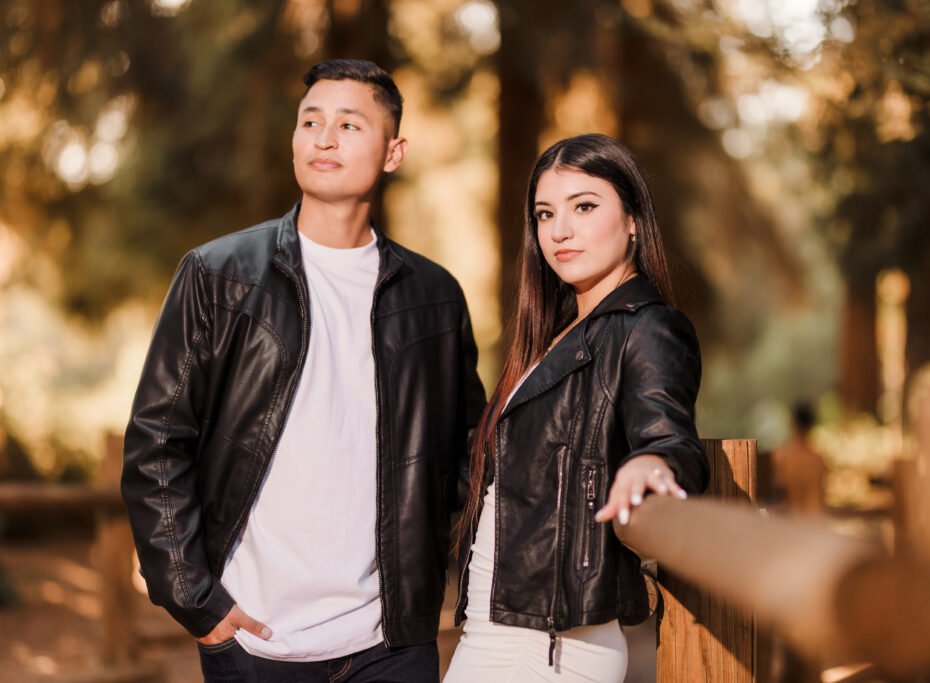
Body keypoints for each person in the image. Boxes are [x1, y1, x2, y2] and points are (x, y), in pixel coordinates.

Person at [121, 59, 486, 683]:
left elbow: (465, 459)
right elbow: (158, 443)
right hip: (252, 644)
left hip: (391, 646)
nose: (324, 137)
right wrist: (196, 601)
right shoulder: (218, 276)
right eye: (310, 121)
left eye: (349, 124)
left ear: (393, 151)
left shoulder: (434, 296)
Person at [444, 134, 709, 682]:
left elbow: (671, 438)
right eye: (545, 214)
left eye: (584, 206)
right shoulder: (553, 338)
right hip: (497, 628)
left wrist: (652, 463)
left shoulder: (648, 327)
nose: (559, 230)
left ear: (633, 218)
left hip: (550, 646)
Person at [771, 403, 826, 517]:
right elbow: (821, 496)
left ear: (793, 423)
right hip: (816, 520)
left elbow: (778, 492)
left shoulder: (781, 456)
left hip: (793, 521)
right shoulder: (819, 459)